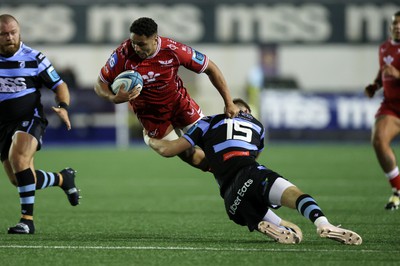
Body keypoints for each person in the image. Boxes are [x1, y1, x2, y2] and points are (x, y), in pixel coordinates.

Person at [148, 98, 362, 245]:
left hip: (230, 199)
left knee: (255, 209)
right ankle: (323, 224)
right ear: (247, 113)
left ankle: (265, 224)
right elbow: (252, 156)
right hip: (250, 172)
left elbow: (180, 153)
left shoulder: (208, 122)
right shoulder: (258, 127)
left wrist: (152, 139)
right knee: (297, 196)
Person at [94, 17, 239, 171]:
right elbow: (100, 84)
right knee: (189, 156)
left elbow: (211, 68)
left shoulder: (173, 50)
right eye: (133, 42)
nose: (136, 48)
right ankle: (228, 173)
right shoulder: (123, 54)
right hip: (151, 115)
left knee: (212, 144)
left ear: (155, 39)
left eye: (141, 44)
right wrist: (113, 97)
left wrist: (229, 102)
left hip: (179, 104)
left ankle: (235, 173)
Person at [0, 14, 80, 234]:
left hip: (30, 117)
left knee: (19, 158)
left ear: (19, 31)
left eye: (13, 32)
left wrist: (63, 105)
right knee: (20, 179)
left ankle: (27, 221)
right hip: (2, 125)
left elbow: (59, 85)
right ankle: (63, 178)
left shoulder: (35, 58)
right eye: (4, 34)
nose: (9, 37)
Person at [365, 11, 400, 210]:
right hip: (392, 107)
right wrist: (375, 85)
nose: (398, 27)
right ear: (391, 26)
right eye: (395, 23)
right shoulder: (385, 48)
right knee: (379, 140)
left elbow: (394, 72)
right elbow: (383, 72)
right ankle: (398, 190)